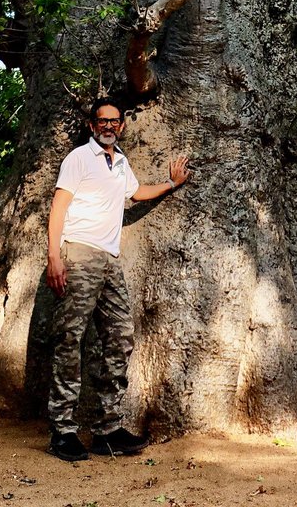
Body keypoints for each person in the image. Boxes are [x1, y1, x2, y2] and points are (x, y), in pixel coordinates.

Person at [45, 97, 190, 461]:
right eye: (102, 121)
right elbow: (59, 206)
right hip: (78, 253)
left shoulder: (122, 163)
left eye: (114, 121)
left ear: (121, 126)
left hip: (110, 259)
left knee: (121, 336)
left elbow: (137, 193)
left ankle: (107, 429)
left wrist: (171, 184)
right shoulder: (79, 158)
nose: (109, 126)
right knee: (69, 337)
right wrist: (53, 257)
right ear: (93, 126)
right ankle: (62, 430)